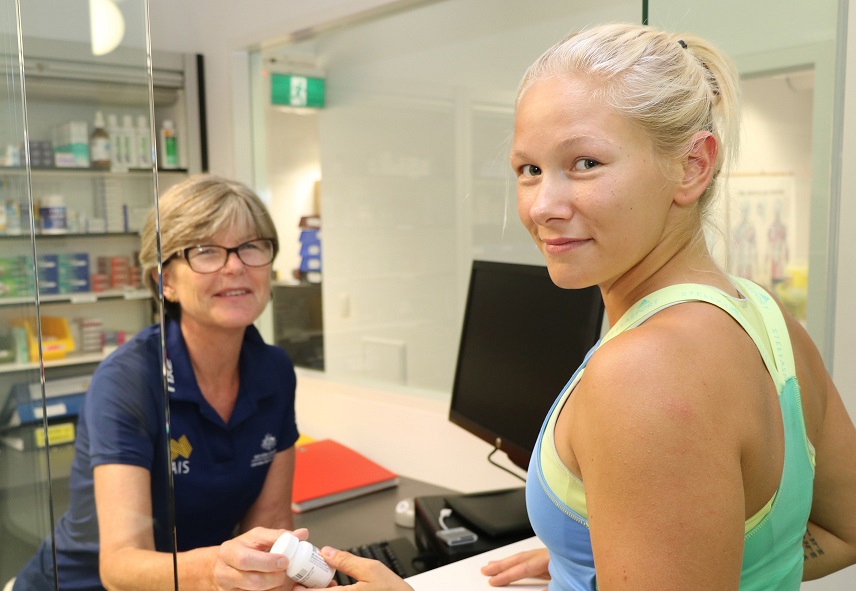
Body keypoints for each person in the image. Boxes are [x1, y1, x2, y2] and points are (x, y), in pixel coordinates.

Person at [285, 22, 856, 591]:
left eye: (585, 163)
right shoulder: (764, 315)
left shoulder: (645, 370)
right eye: (529, 170)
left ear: (692, 166)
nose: (543, 207)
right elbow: (842, 532)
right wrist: (625, 557)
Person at [13, 174, 302, 590]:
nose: (236, 265)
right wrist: (218, 570)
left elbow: (271, 523)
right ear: (164, 281)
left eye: (252, 246)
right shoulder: (127, 381)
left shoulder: (275, 370)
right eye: (206, 251)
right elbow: (121, 567)